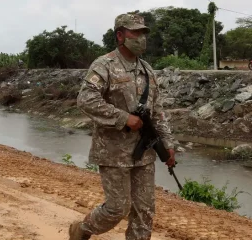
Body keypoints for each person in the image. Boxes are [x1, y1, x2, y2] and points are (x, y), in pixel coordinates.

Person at [70, 13, 176, 240]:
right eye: (135, 32)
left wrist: (167, 144)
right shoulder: (104, 65)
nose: (141, 38)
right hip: (113, 152)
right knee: (118, 208)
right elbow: (85, 100)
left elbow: (157, 111)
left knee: (144, 211)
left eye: (143, 33)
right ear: (120, 35)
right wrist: (122, 118)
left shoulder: (147, 70)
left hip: (144, 153)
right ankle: (83, 229)